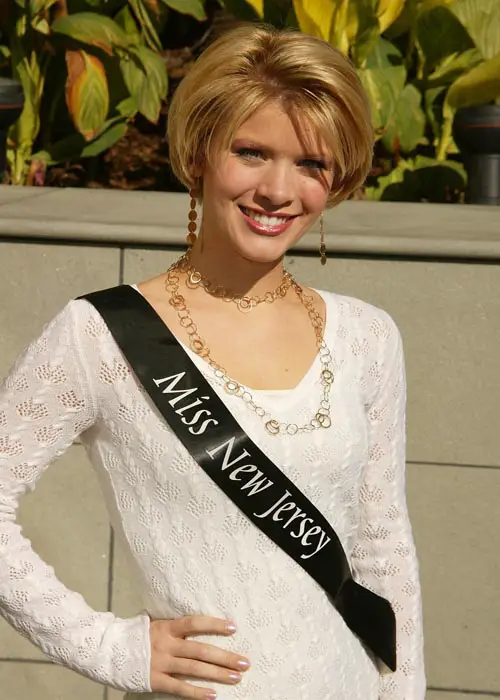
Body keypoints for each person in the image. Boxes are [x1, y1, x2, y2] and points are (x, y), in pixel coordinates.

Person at [0, 23, 425, 700]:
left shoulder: (367, 337)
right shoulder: (102, 336)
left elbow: (383, 544)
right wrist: (111, 649)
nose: (279, 190)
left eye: (311, 164)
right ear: (200, 153)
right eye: (251, 152)